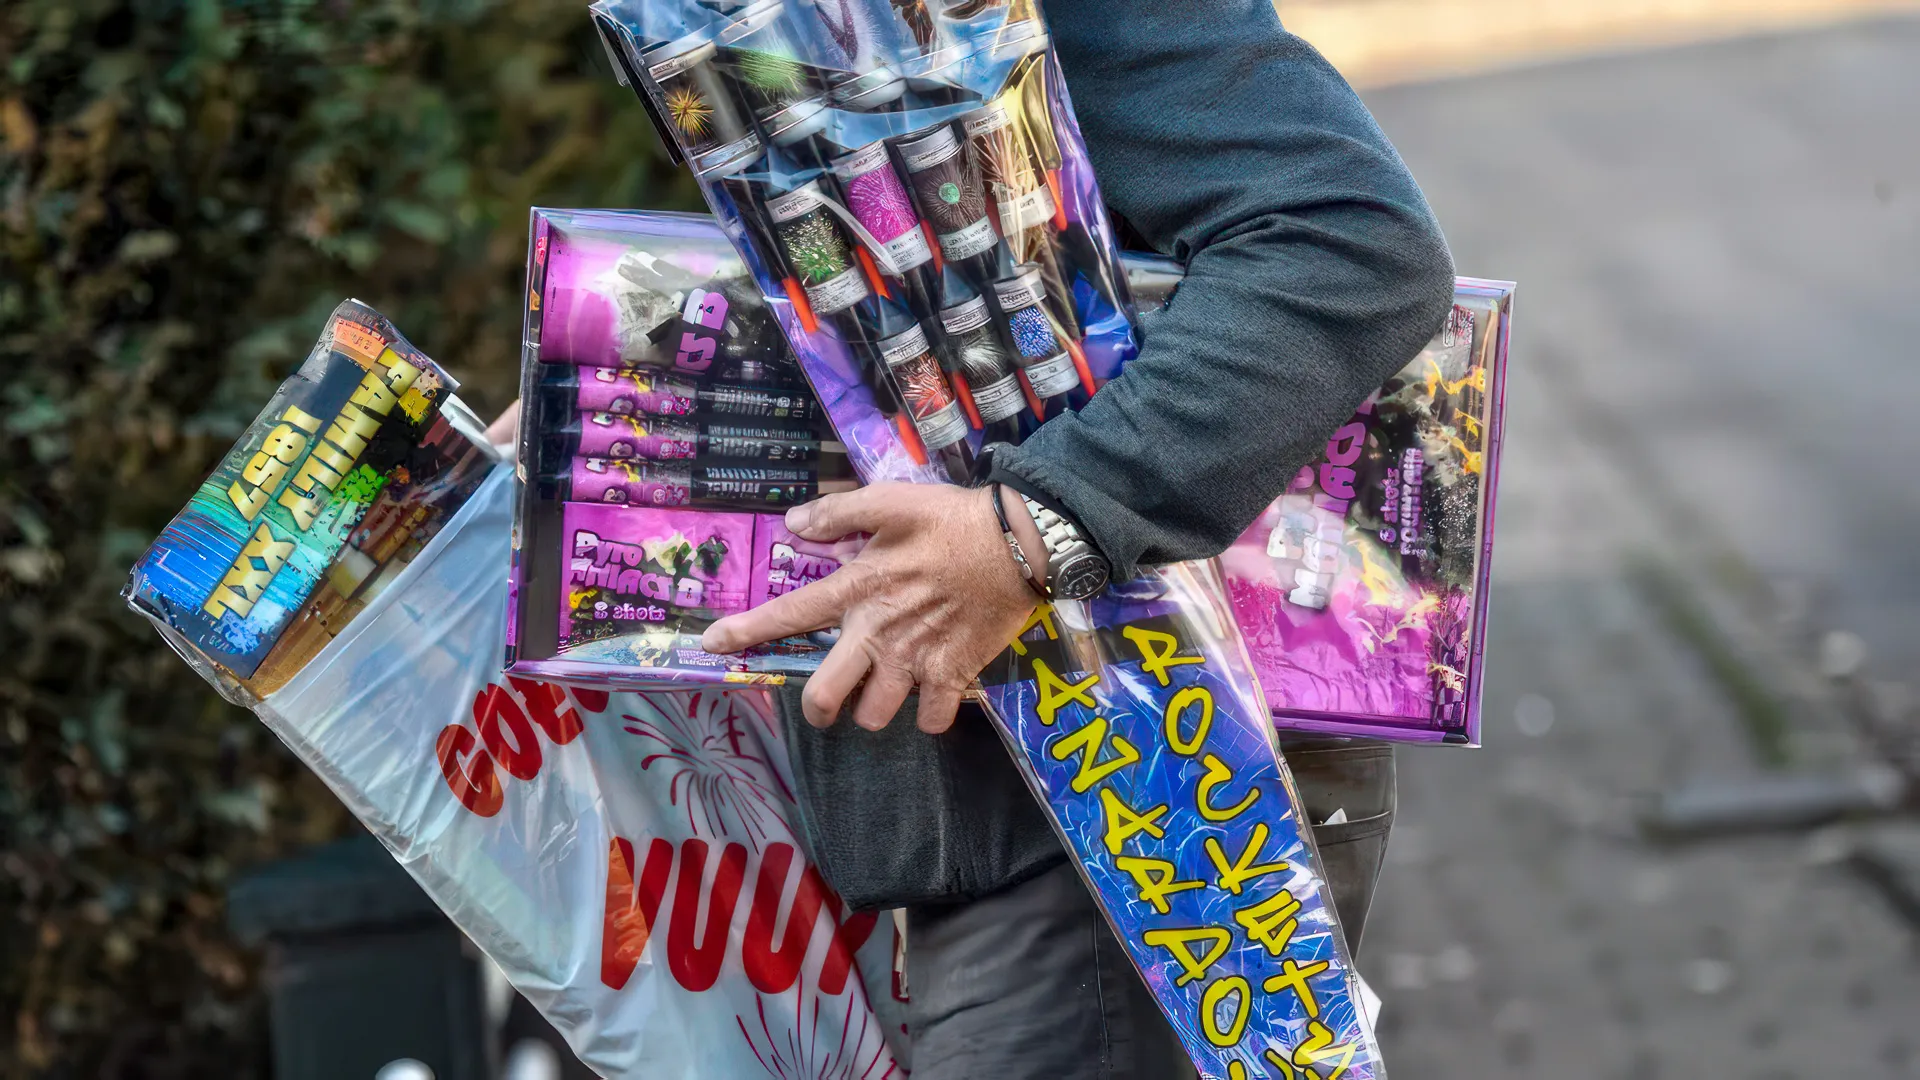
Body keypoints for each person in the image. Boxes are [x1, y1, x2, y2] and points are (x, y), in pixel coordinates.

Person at [500, 1, 1450, 1073]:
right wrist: (610, 407)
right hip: (1010, 782)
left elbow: (1348, 241)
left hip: (1140, 796)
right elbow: (886, 294)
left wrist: (1038, 529)